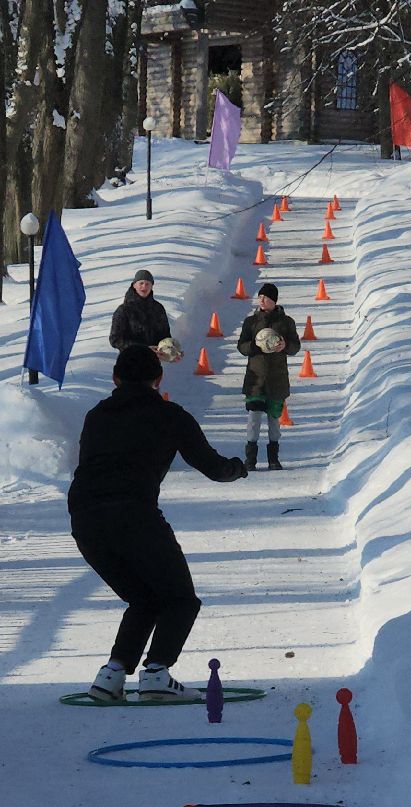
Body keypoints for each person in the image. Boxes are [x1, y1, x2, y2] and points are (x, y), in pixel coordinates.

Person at [69, 346, 249, 701]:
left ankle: (112, 675)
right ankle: (156, 673)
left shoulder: (96, 415)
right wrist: (237, 469)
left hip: (85, 520)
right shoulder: (170, 415)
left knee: (144, 598)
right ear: (159, 378)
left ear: (115, 378)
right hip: (133, 514)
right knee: (181, 599)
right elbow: (212, 467)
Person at [235, 282, 299, 471]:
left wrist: (285, 345)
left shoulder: (286, 322)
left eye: (267, 298)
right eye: (260, 297)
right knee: (253, 418)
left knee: (274, 420)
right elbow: (241, 346)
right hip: (255, 379)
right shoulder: (251, 322)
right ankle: (250, 459)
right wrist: (253, 347)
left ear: (274, 301)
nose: (262, 301)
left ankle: (273, 458)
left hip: (277, 379)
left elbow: (295, 346)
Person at [109, 269, 173, 354]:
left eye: (147, 284)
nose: (144, 287)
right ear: (134, 285)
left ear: (152, 286)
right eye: (141, 283)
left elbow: (165, 336)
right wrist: (142, 348)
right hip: (129, 361)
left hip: (153, 361)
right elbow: (115, 339)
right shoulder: (124, 310)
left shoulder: (158, 308)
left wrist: (172, 351)